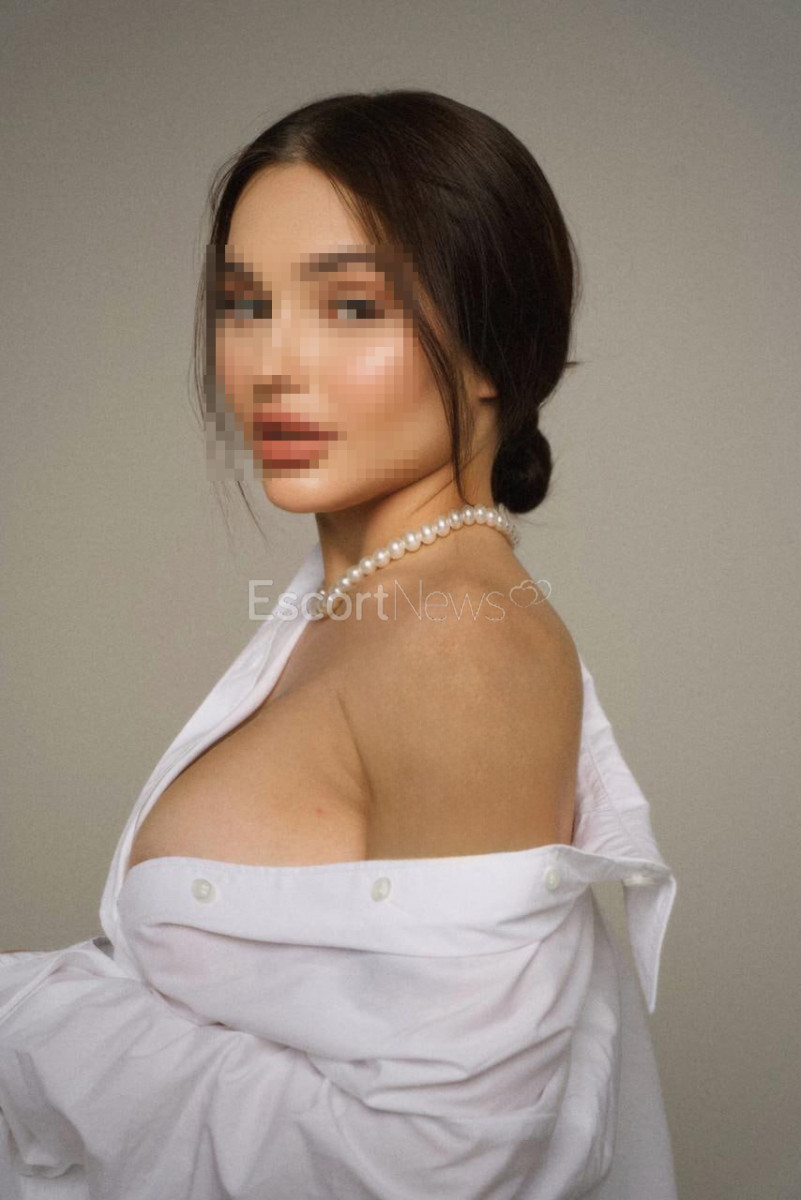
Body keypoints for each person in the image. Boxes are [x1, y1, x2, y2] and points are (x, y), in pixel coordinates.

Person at [0, 88, 678, 1199]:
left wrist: (38, 1026)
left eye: (352, 307)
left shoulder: (458, 645)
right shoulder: (357, 605)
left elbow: (438, 1164)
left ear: (494, 346)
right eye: (245, 304)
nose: (273, 363)